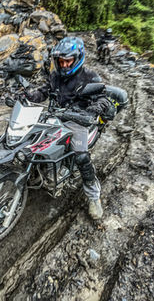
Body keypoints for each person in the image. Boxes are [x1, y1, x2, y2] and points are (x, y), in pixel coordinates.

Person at [24, 36, 115, 220]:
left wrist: (94, 109)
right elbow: (44, 91)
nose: (64, 65)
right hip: (54, 116)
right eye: (61, 61)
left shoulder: (90, 77)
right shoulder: (55, 76)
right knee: (28, 137)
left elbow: (103, 98)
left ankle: (93, 196)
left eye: (68, 61)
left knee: (81, 156)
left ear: (77, 58)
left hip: (78, 120)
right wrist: (30, 95)